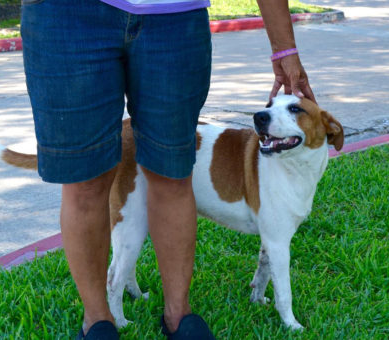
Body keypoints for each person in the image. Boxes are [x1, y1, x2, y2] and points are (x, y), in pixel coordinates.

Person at [20, 0, 315, 338]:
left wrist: (284, 48)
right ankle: (98, 321)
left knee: (174, 173)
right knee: (85, 182)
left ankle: (178, 314)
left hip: (174, 15)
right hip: (67, 14)